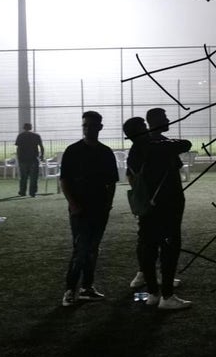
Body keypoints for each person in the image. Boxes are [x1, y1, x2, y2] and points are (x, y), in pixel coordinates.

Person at [124, 108, 193, 310]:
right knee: (170, 247)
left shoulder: (134, 152)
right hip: (167, 204)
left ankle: (153, 293)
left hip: (147, 206)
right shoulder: (156, 147)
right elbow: (185, 144)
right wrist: (169, 143)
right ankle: (167, 296)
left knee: (148, 246)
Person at [59, 111, 118, 307]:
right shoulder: (72, 151)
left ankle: (86, 287)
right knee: (81, 249)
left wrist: (108, 205)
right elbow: (64, 181)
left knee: (93, 249)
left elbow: (112, 182)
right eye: (85, 125)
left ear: (100, 127)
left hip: (99, 208)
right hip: (80, 209)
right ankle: (70, 290)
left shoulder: (106, 152)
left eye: (92, 125)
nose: (88, 128)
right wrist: (73, 204)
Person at [14, 122, 45, 198]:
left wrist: (19, 157)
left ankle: (22, 192)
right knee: (34, 177)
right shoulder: (36, 136)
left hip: (23, 159)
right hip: (34, 158)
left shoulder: (20, 136)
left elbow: (18, 148)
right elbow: (41, 146)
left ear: (24, 128)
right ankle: (32, 192)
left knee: (23, 176)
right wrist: (42, 156)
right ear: (31, 127)